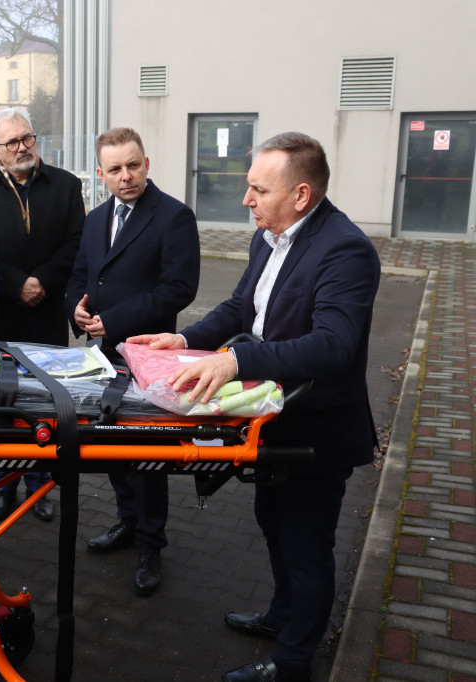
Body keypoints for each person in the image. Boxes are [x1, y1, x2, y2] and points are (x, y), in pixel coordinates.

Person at [128, 132, 380, 682]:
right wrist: (184, 339)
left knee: (306, 547)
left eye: (259, 190)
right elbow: (242, 305)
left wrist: (236, 361)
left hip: (317, 431)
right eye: (249, 187)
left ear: (301, 195)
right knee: (274, 524)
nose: (247, 200)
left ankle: (292, 663)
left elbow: (333, 345)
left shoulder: (345, 250)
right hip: (272, 422)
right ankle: (283, 617)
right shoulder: (269, 237)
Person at [64, 127, 200, 597]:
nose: (126, 176)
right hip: (101, 355)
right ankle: (127, 522)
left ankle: (150, 546)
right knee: (112, 445)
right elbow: (80, 275)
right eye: (116, 169)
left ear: (147, 164)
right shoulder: (96, 218)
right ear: (100, 174)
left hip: (148, 356)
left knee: (147, 452)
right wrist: (74, 310)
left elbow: (178, 289)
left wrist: (115, 320)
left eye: (133, 165)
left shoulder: (174, 217)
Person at [0, 107, 85, 522]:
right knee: (2, 405)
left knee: (46, 402)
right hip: (0, 314)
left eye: (27, 138)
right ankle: (4, 483)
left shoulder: (66, 185)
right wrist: (16, 284)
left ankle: (40, 485)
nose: (22, 147)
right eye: (11, 142)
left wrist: (43, 279)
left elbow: (77, 242)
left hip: (46, 313)